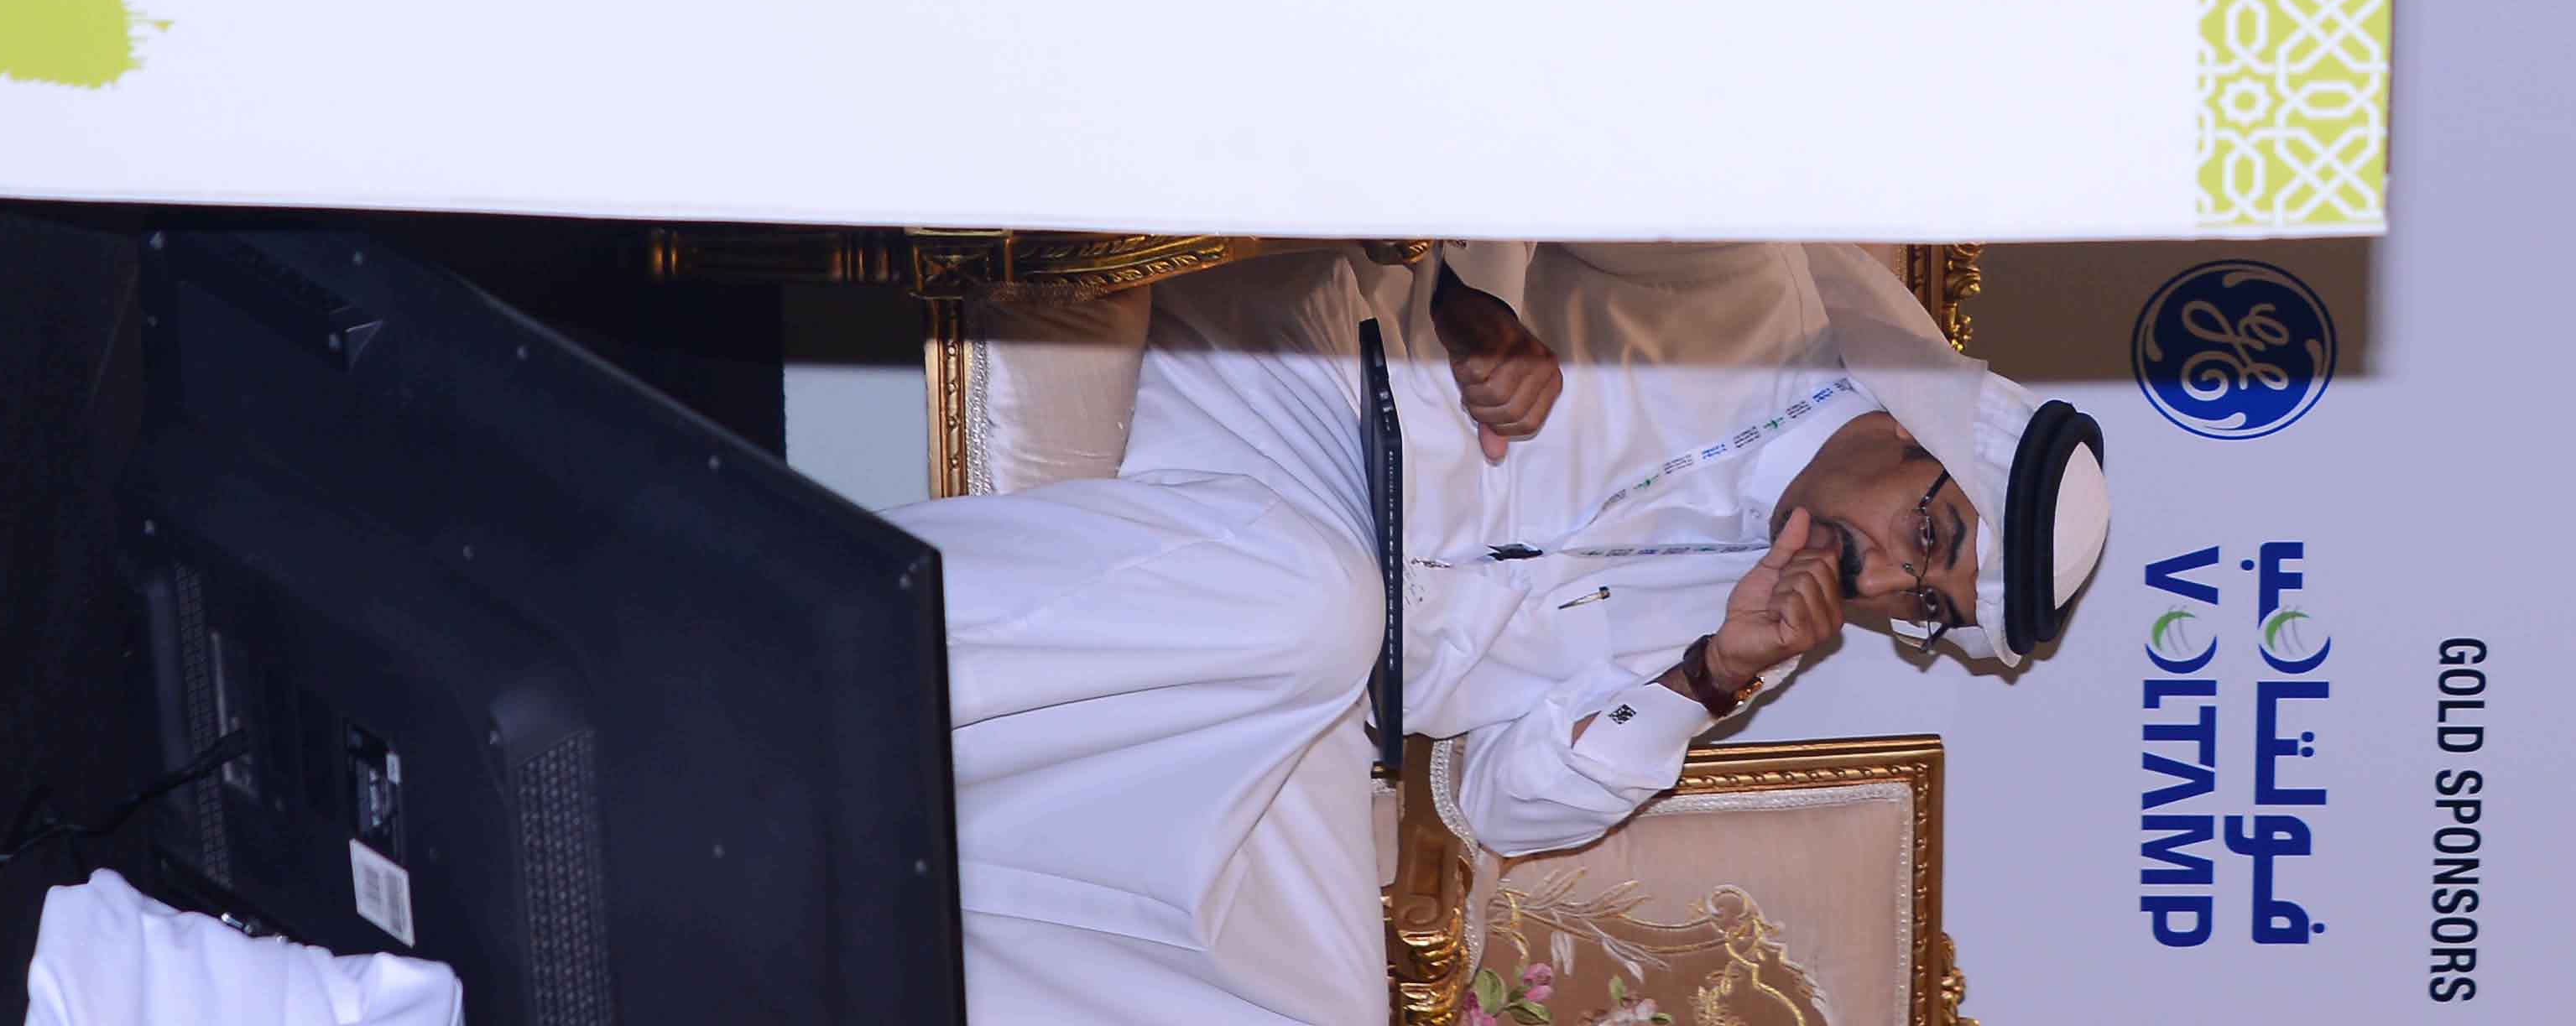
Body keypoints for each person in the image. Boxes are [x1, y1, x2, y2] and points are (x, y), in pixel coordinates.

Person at [893, 238, 2105, 1026]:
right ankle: (837, 660)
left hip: (1322, 679)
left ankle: (862, 947)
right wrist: (1475, 304)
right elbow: (1495, 132)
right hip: (1292, 401)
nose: (1882, 576)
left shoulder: (1768, 630)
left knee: (1317, 1001)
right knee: (1315, 600)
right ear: (1918, 427)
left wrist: (1705, 676)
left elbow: (1488, 800)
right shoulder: (1748, 284)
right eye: (1929, 534)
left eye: (1925, 604)